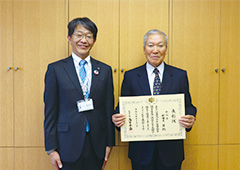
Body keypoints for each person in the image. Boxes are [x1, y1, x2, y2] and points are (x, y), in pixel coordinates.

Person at [112, 29, 197, 170]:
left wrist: (190, 118)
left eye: (160, 45)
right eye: (151, 45)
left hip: (171, 152)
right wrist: (116, 119)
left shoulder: (179, 75)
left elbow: (188, 106)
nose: (155, 50)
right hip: (141, 152)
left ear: (166, 49)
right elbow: (121, 108)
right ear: (144, 49)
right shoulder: (131, 76)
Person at [44, 17, 115, 170]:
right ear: (69, 38)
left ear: (94, 40)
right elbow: (50, 111)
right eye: (79, 35)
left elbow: (108, 108)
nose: (84, 40)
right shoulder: (56, 70)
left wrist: (110, 144)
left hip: (96, 144)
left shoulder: (105, 70)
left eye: (89, 36)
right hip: (66, 145)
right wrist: (51, 149)